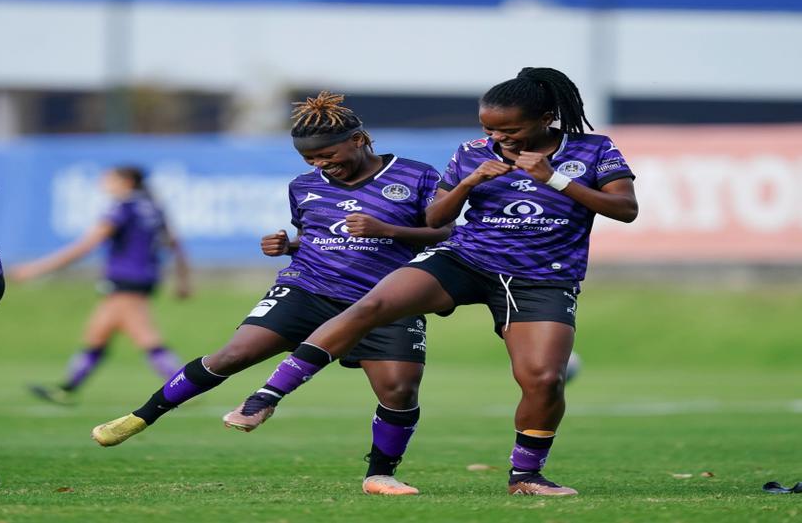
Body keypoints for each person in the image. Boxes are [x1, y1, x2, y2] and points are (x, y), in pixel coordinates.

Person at [230, 68, 639, 496]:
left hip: (542, 277)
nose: (500, 137)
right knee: (372, 305)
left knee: (543, 379)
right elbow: (437, 219)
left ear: (547, 117)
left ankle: (526, 476)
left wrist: (553, 178)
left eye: (511, 129)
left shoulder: (594, 150)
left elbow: (624, 209)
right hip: (466, 258)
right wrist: (470, 181)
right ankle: (266, 396)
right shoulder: (473, 152)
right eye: (489, 128)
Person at [91, 92, 451, 496]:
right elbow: (316, 236)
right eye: (310, 159)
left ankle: (379, 474)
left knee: (400, 390)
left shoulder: (416, 175)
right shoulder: (303, 187)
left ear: (359, 139)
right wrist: (289, 246)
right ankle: (141, 417)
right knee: (232, 354)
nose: (320, 164)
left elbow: (446, 232)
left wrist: (389, 230)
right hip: (309, 287)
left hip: (387, 299)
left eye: (328, 154)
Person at [11, 166, 190, 404]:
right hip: (143, 278)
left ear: (126, 182)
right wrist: (183, 278)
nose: (103, 184)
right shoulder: (153, 207)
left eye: (108, 179)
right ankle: (66, 389)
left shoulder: (122, 208)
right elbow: (174, 243)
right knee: (97, 334)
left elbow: (87, 244)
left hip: (125, 280)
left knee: (146, 337)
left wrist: (36, 269)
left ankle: (184, 387)